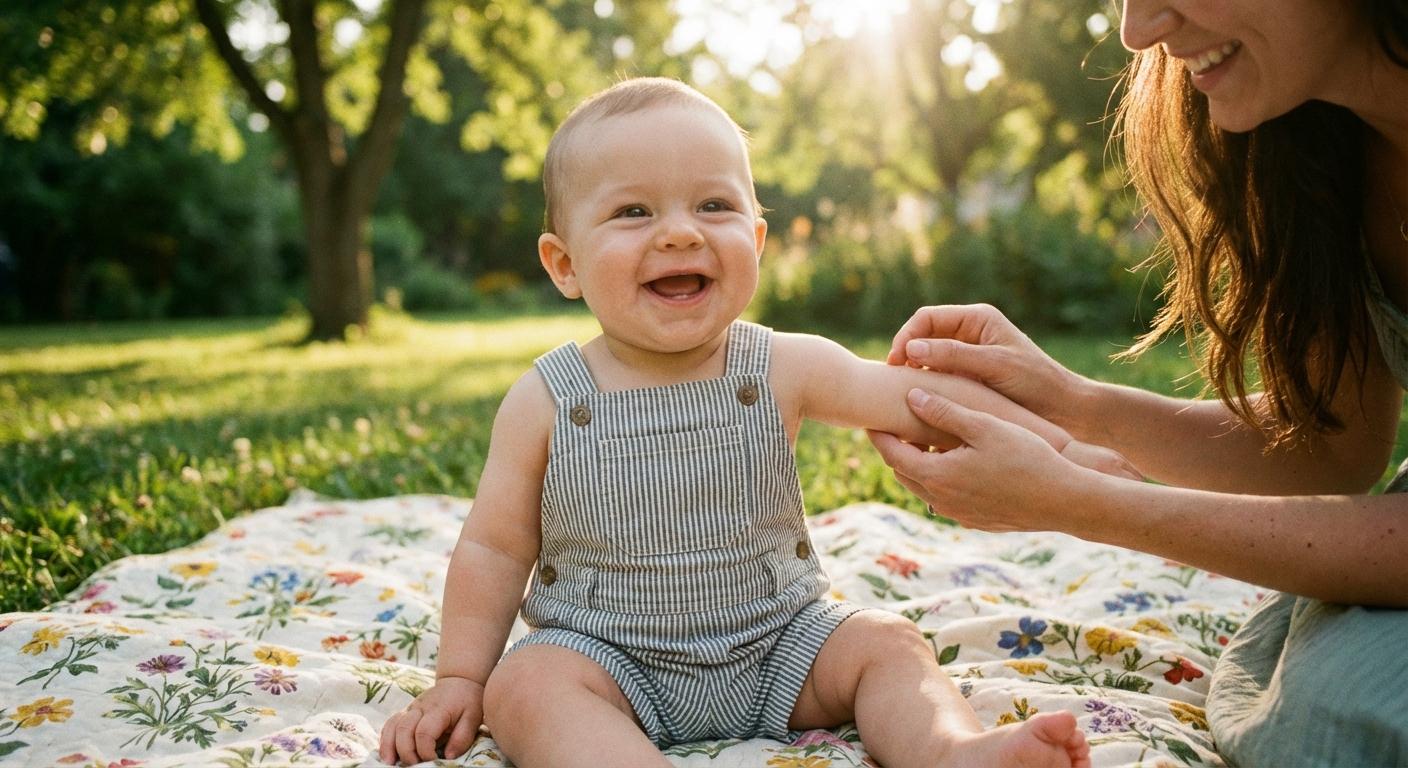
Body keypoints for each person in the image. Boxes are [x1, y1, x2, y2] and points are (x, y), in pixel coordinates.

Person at [377, 77, 1108, 767]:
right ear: (564, 264)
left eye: (713, 206)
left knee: (886, 643)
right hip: (605, 658)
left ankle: (949, 751)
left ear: (755, 242)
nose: (679, 234)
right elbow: (495, 549)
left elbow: (920, 401)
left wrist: (1063, 447)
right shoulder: (548, 398)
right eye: (634, 212)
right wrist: (461, 679)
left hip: (782, 644)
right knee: (524, 689)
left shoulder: (781, 366)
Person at [870, 1, 1408, 765]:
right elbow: (1330, 444)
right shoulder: (1329, 148)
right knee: (1315, 691)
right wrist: (1073, 403)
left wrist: (1079, 501)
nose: (1138, 28)